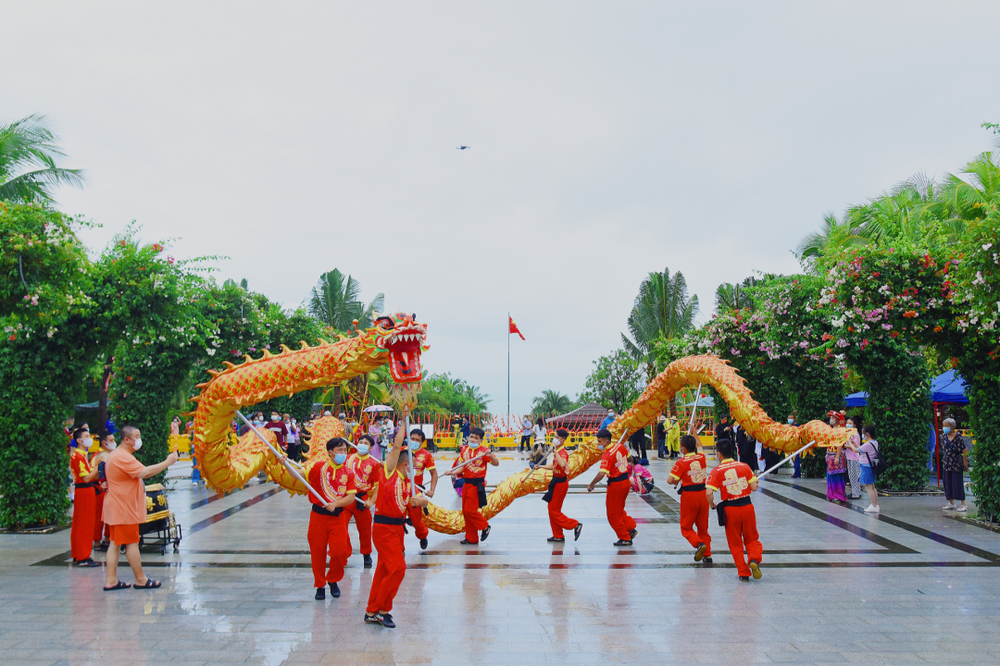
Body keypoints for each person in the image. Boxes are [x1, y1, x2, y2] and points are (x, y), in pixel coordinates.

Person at [364, 408, 430, 629]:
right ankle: (383, 609)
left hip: (396, 531)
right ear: (405, 464)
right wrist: (404, 420)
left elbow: (423, 502)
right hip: (383, 529)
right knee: (399, 568)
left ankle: (372, 611)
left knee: (384, 570)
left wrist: (422, 502)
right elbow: (395, 446)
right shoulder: (390, 473)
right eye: (411, 464)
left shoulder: (408, 484)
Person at [103, 426, 178, 590]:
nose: (139, 439)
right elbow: (144, 472)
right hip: (124, 508)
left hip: (117, 506)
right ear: (126, 440)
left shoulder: (117, 455)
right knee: (131, 543)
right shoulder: (123, 456)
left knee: (115, 543)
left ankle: (111, 580)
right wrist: (168, 462)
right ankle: (140, 579)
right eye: (136, 436)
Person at [305, 437, 358, 600]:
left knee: (340, 552)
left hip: (337, 517)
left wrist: (336, 504)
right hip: (318, 516)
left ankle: (333, 579)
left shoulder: (348, 472)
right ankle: (319, 584)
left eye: (345, 450)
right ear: (330, 453)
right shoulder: (319, 468)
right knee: (317, 552)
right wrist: (283, 461)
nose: (343, 453)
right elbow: (301, 473)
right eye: (339, 450)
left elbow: (350, 497)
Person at [706, 438, 762, 582]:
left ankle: (743, 572)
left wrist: (712, 505)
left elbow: (708, 493)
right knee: (751, 538)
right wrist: (755, 481)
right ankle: (754, 559)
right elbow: (754, 488)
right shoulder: (744, 466)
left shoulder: (717, 471)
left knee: (735, 542)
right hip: (747, 506)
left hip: (731, 509)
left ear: (719, 454)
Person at [444, 427, 498, 545]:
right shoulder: (465, 451)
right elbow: (463, 467)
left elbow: (496, 463)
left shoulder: (484, 451)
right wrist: (452, 472)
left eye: (476, 438)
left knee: (470, 510)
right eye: (471, 437)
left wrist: (491, 455)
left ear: (480, 440)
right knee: (465, 511)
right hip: (466, 484)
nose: (473, 440)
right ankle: (471, 538)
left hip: (476, 484)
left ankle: (485, 526)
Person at [587, 429, 637, 546]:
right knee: (618, 510)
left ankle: (625, 537)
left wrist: (591, 484)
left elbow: (601, 474)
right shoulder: (620, 446)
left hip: (616, 485)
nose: (598, 444)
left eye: (599, 441)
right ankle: (630, 527)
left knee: (612, 514)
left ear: (606, 441)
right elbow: (630, 459)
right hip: (625, 482)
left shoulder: (607, 454)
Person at [668, 434, 713, 564]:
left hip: (689, 496)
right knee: (703, 528)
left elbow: (670, 480)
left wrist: (677, 479)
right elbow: (700, 446)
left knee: (686, 527)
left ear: (683, 449)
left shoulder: (681, 462)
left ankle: (699, 544)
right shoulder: (702, 457)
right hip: (703, 494)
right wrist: (694, 432)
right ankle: (708, 555)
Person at [537, 429, 583, 543]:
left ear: (562, 440)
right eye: (555, 436)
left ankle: (575, 525)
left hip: (561, 483)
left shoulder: (562, 452)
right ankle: (558, 535)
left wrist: (555, 452)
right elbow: (554, 466)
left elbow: (562, 464)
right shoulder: (558, 451)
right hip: (555, 481)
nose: (555, 439)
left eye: (557, 437)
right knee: (552, 508)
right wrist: (540, 466)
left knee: (553, 510)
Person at [345, 434, 381, 568]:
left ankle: (367, 555)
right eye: (361, 442)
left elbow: (379, 484)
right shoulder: (347, 459)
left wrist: (372, 501)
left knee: (365, 530)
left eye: (366, 443)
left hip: (362, 499)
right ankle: (344, 552)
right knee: (340, 528)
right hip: (346, 499)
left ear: (371, 447)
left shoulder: (374, 463)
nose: (362, 444)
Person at [69, 428, 100, 567]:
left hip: (82, 491)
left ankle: (78, 554)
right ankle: (83, 556)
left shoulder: (79, 455)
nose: (90, 438)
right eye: (87, 436)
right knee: (86, 524)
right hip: (85, 491)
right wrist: (96, 469)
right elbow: (86, 478)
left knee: (78, 523)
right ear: (79, 440)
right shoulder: (80, 457)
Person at [408, 428, 437, 550]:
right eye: (412, 439)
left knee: (416, 520)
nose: (414, 441)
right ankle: (400, 548)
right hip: (400, 489)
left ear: (422, 442)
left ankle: (423, 535)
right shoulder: (402, 451)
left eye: (417, 440)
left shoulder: (426, 455)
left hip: (416, 490)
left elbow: (434, 474)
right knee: (395, 519)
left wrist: (432, 490)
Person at [90, 431, 116, 550]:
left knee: (109, 514)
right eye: (111, 441)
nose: (113, 443)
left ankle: (107, 537)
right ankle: (97, 541)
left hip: (109, 488)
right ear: (104, 443)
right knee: (99, 515)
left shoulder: (109, 454)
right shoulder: (99, 456)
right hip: (100, 489)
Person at [847, 425, 881, 513]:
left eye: (864, 433)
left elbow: (856, 450)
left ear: (868, 434)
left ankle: (873, 506)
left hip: (866, 467)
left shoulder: (869, 444)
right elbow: (862, 449)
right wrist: (855, 443)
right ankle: (875, 504)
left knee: (869, 487)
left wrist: (850, 443)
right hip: (871, 466)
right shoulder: (874, 442)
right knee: (872, 487)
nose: (863, 435)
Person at [940, 418, 970, 512]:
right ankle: (951, 502)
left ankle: (963, 504)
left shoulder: (958, 437)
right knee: (947, 482)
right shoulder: (944, 436)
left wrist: (965, 464)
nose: (945, 428)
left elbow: (964, 450)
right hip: (947, 463)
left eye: (947, 426)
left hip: (956, 463)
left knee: (957, 483)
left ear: (952, 427)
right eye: (944, 426)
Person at [844, 416, 863, 499]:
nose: (848, 425)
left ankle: (856, 493)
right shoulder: (848, 433)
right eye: (847, 423)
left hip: (854, 458)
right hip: (849, 457)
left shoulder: (856, 434)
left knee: (854, 476)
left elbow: (856, 446)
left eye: (850, 423)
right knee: (851, 476)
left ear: (854, 425)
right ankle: (855, 492)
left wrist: (846, 445)